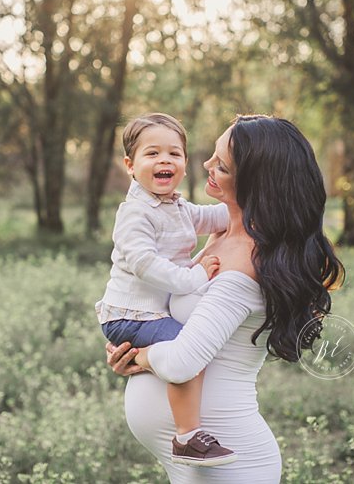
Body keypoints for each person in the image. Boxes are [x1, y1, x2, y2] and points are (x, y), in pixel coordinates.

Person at [106, 114, 345, 483]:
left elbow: (183, 361)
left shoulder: (246, 261)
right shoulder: (223, 232)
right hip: (195, 464)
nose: (204, 166)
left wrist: (139, 357)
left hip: (233, 464)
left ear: (254, 181)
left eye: (221, 165)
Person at [95, 113, 238, 466]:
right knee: (185, 348)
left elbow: (213, 218)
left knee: (185, 347)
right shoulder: (135, 213)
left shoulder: (176, 205)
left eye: (174, 154)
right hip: (131, 315)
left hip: (148, 312)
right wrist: (195, 277)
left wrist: (249, 210)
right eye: (152, 153)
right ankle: (187, 436)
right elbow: (144, 264)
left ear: (184, 165)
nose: (164, 160)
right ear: (130, 165)